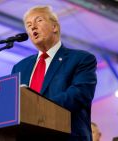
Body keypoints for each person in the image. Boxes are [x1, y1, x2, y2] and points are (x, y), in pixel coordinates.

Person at [11, 5, 97, 141]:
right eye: (28, 25)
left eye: (38, 20)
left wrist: (37, 108)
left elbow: (80, 95)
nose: (32, 27)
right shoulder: (20, 68)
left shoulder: (81, 59)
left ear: (55, 27)